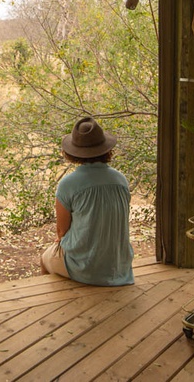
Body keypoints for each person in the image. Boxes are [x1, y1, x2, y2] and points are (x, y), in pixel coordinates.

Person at [40, 117, 134, 286]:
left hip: (85, 267)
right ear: (106, 149)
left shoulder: (68, 183)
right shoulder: (120, 179)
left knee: (44, 258)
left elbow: (61, 231)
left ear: (73, 152)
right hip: (120, 266)